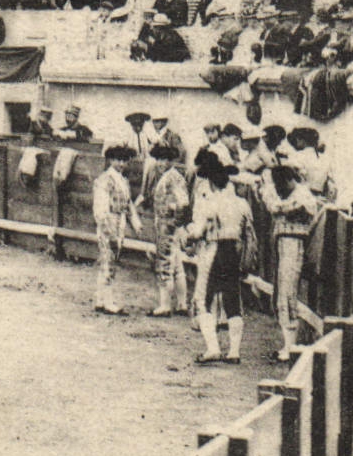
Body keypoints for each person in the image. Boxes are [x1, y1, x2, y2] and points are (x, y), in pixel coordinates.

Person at [186, 158, 251, 364]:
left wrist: (188, 232)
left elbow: (197, 232)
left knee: (204, 300)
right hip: (234, 252)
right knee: (232, 301)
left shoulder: (210, 202)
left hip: (215, 251)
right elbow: (249, 233)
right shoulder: (242, 203)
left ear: (212, 183)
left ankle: (213, 348)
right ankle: (234, 352)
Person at [260, 161, 321, 361]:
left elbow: (300, 211)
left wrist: (284, 208)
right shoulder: (290, 195)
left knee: (288, 293)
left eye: (281, 185)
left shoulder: (303, 195)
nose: (279, 189)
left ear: (288, 180)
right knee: (281, 292)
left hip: (295, 244)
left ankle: (291, 347)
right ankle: (288, 345)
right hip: (283, 244)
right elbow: (273, 206)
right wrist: (285, 207)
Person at [91, 144, 140, 315]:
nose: (121, 163)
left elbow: (128, 204)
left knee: (108, 260)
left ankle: (100, 299)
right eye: (118, 160)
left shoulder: (122, 180)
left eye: (124, 160)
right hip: (109, 221)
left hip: (119, 222)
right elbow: (100, 210)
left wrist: (135, 222)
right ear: (111, 160)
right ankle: (108, 302)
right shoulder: (105, 180)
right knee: (109, 261)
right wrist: (108, 229)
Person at [143, 141, 191, 317]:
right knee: (177, 265)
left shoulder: (171, 177)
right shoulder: (171, 176)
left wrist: (173, 223)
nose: (161, 163)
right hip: (170, 226)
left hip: (168, 226)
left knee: (164, 264)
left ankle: (164, 306)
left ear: (171, 160)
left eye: (165, 160)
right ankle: (181, 304)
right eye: (159, 159)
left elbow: (183, 204)